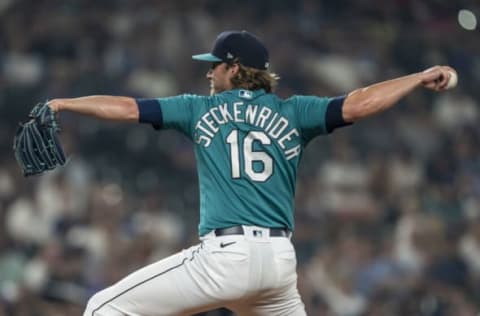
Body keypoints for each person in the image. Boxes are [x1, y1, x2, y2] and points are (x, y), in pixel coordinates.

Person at [47, 30, 456, 316]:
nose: (209, 73)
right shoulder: (295, 110)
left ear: (235, 67)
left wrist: (65, 104)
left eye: (215, 66)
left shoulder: (199, 108)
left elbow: (127, 107)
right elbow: (359, 103)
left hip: (226, 258)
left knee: (104, 308)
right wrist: (418, 78)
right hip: (278, 264)